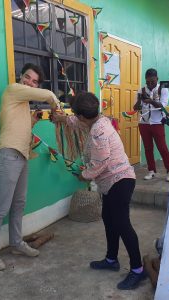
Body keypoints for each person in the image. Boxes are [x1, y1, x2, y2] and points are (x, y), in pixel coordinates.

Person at [52, 92, 146, 290]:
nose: (77, 119)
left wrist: (83, 175)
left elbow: (100, 163)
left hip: (120, 180)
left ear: (82, 115)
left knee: (122, 224)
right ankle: (112, 260)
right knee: (109, 219)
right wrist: (63, 118)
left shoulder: (98, 131)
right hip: (111, 182)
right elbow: (78, 123)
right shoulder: (97, 120)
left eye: (76, 115)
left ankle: (138, 269)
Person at [0, 63, 60, 271]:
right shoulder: (13, 90)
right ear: (21, 77)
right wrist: (56, 104)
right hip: (7, 154)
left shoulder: (22, 103)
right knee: (1, 207)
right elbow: (48, 95)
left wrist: (32, 121)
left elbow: (18, 128)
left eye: (34, 81)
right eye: (27, 78)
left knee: (19, 204)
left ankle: (16, 243)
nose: (30, 83)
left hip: (21, 155)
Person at [133, 68, 169, 182]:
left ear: (157, 79)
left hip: (157, 123)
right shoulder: (141, 90)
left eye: (153, 81)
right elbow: (135, 108)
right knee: (148, 148)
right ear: (145, 80)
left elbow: (162, 106)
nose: (150, 84)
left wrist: (150, 101)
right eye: (148, 82)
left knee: (162, 147)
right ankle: (151, 171)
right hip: (144, 123)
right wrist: (139, 99)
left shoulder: (163, 89)